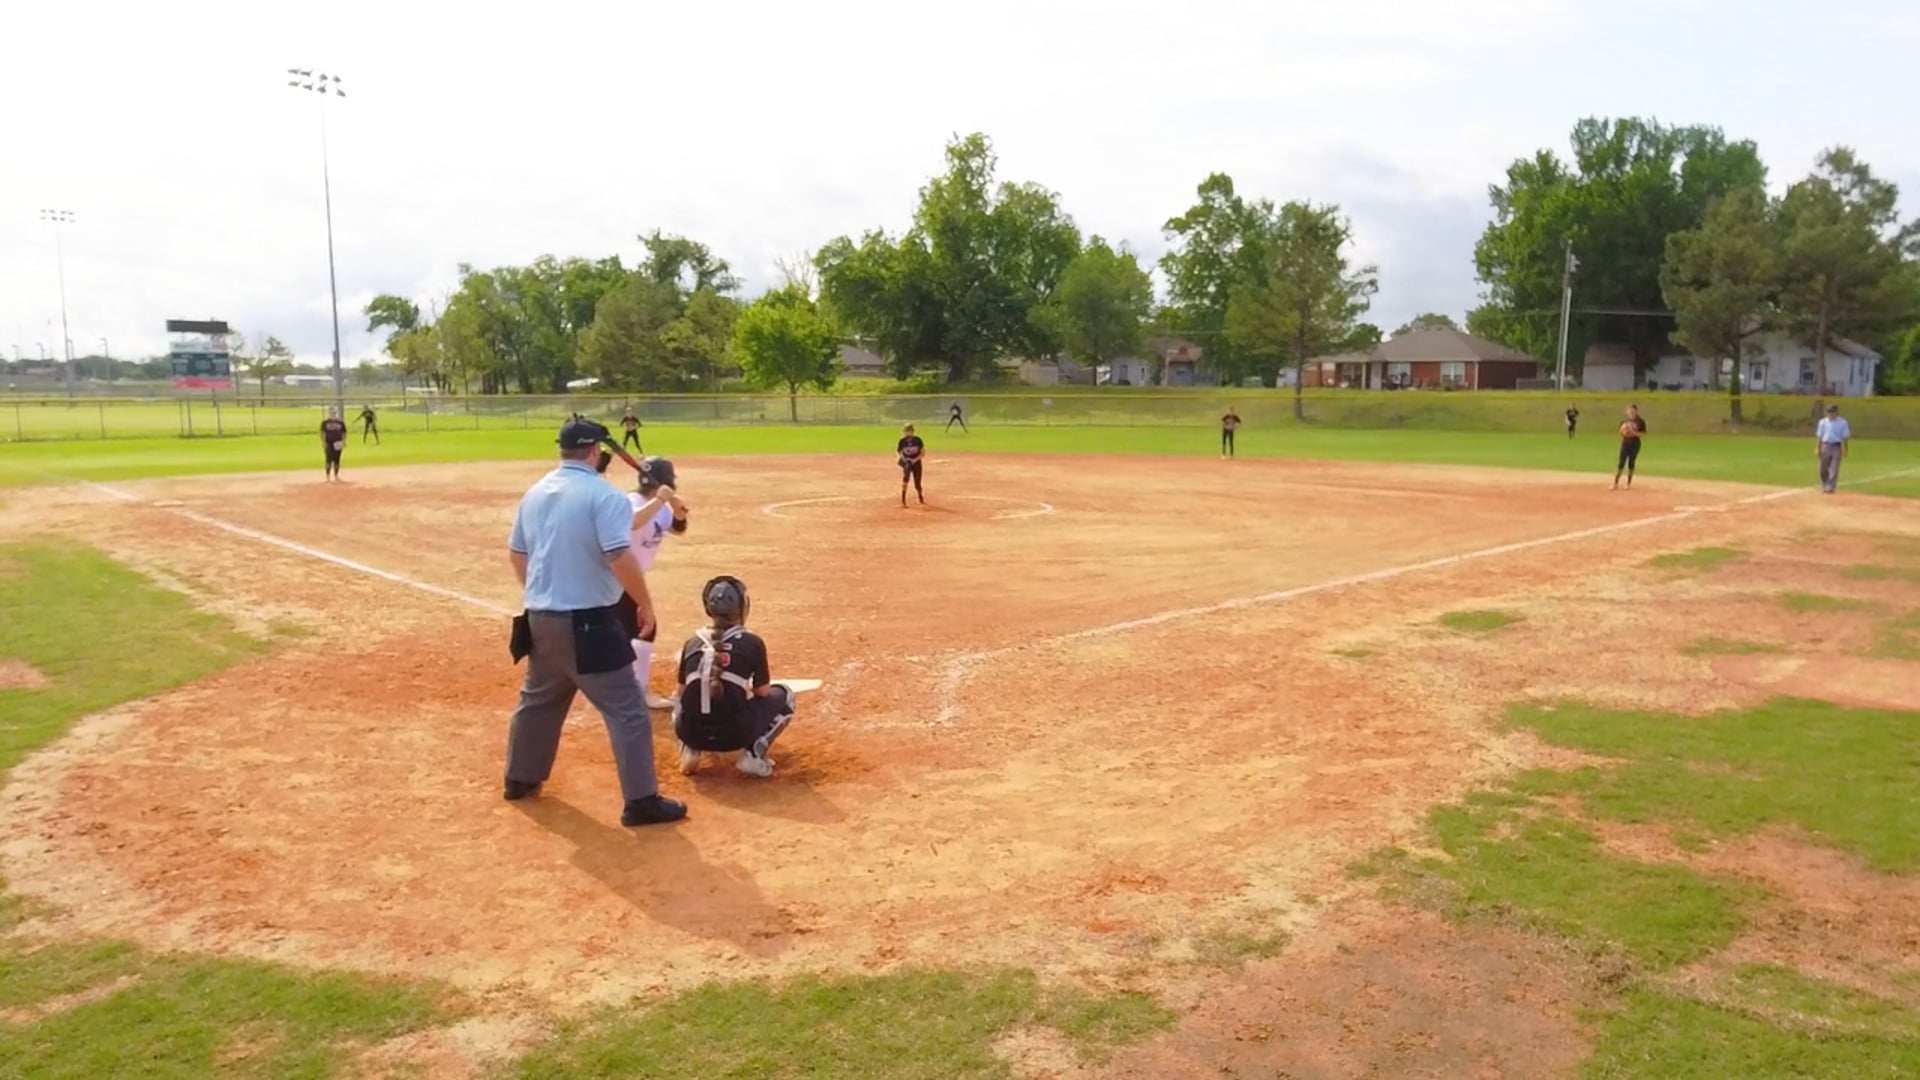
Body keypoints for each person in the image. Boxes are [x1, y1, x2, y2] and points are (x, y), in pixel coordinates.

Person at [502, 417, 687, 828]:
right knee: (628, 711)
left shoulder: (535, 492)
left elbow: (517, 554)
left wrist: (540, 594)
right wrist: (645, 604)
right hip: (588, 623)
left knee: (538, 702)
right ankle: (641, 801)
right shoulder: (604, 495)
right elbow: (619, 555)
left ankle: (520, 778)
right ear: (595, 452)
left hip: (539, 618)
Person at [672, 576, 796, 778]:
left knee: (681, 696)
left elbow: (681, 692)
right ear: (742, 608)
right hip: (734, 736)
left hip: (690, 732)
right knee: (786, 695)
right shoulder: (752, 642)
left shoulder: (692, 642)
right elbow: (762, 692)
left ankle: (689, 749)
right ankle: (753, 754)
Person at [610, 455, 689, 710]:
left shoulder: (660, 507)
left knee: (628, 631)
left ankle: (622, 687)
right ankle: (639, 692)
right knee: (644, 629)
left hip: (630, 578)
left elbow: (678, 528)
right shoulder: (631, 501)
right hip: (615, 578)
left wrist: (677, 510)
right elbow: (634, 521)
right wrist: (661, 500)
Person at [1816, 403, 1851, 494]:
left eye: (1832, 412)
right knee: (1822, 469)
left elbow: (1845, 437)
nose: (1830, 414)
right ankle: (1825, 484)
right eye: (1829, 412)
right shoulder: (1822, 422)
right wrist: (1817, 448)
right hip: (1825, 445)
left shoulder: (1842, 422)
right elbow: (1819, 436)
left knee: (1834, 468)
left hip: (1836, 446)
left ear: (1836, 412)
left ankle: (1830, 486)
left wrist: (1845, 448)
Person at [1612, 405, 1647, 490]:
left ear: (1636, 411)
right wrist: (1624, 432)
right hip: (1625, 443)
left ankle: (1628, 483)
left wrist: (1633, 433)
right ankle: (1615, 483)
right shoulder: (1625, 421)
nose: (1630, 412)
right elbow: (1620, 432)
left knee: (1631, 462)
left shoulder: (1640, 421)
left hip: (1635, 444)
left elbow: (1642, 433)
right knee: (1621, 462)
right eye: (1629, 411)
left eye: (1632, 411)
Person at [897, 423, 926, 507]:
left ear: (912, 431)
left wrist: (914, 460)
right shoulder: (902, 441)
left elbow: (922, 453)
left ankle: (920, 495)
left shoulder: (918, 440)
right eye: (905, 431)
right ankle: (903, 500)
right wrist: (905, 459)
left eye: (908, 431)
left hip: (916, 463)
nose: (906, 433)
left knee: (917, 483)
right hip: (907, 463)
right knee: (905, 479)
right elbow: (900, 452)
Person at [321, 407, 348, 482]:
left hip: (338, 443)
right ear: (329, 413)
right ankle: (328, 476)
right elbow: (322, 433)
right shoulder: (325, 423)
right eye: (331, 413)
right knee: (328, 460)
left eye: (334, 413)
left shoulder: (340, 423)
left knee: (337, 460)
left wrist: (343, 441)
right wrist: (323, 442)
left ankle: (336, 476)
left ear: (336, 413)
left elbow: (344, 433)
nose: (333, 414)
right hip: (328, 443)